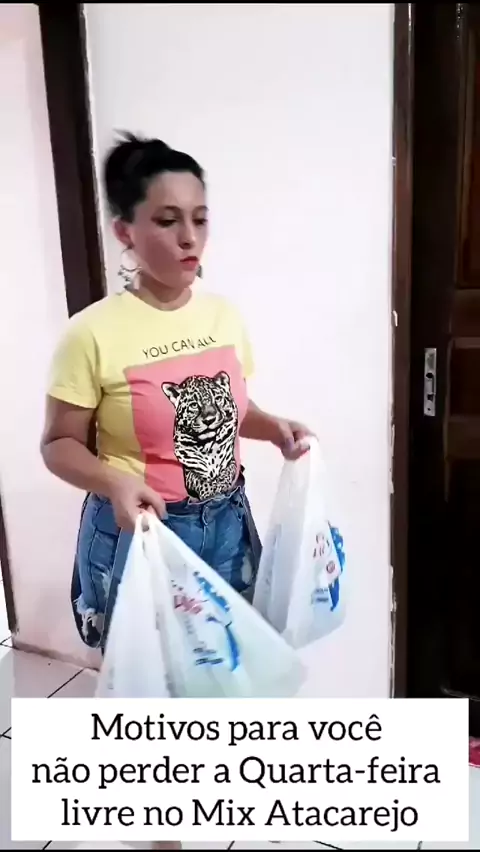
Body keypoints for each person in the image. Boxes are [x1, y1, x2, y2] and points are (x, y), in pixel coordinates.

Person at [41, 134, 311, 849]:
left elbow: (232, 409)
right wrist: (112, 477)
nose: (190, 236)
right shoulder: (91, 334)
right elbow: (58, 444)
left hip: (227, 525)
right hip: (147, 539)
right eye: (167, 220)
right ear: (126, 231)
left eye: (200, 217)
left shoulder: (223, 316)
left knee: (220, 682)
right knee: (154, 707)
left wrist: (273, 427)